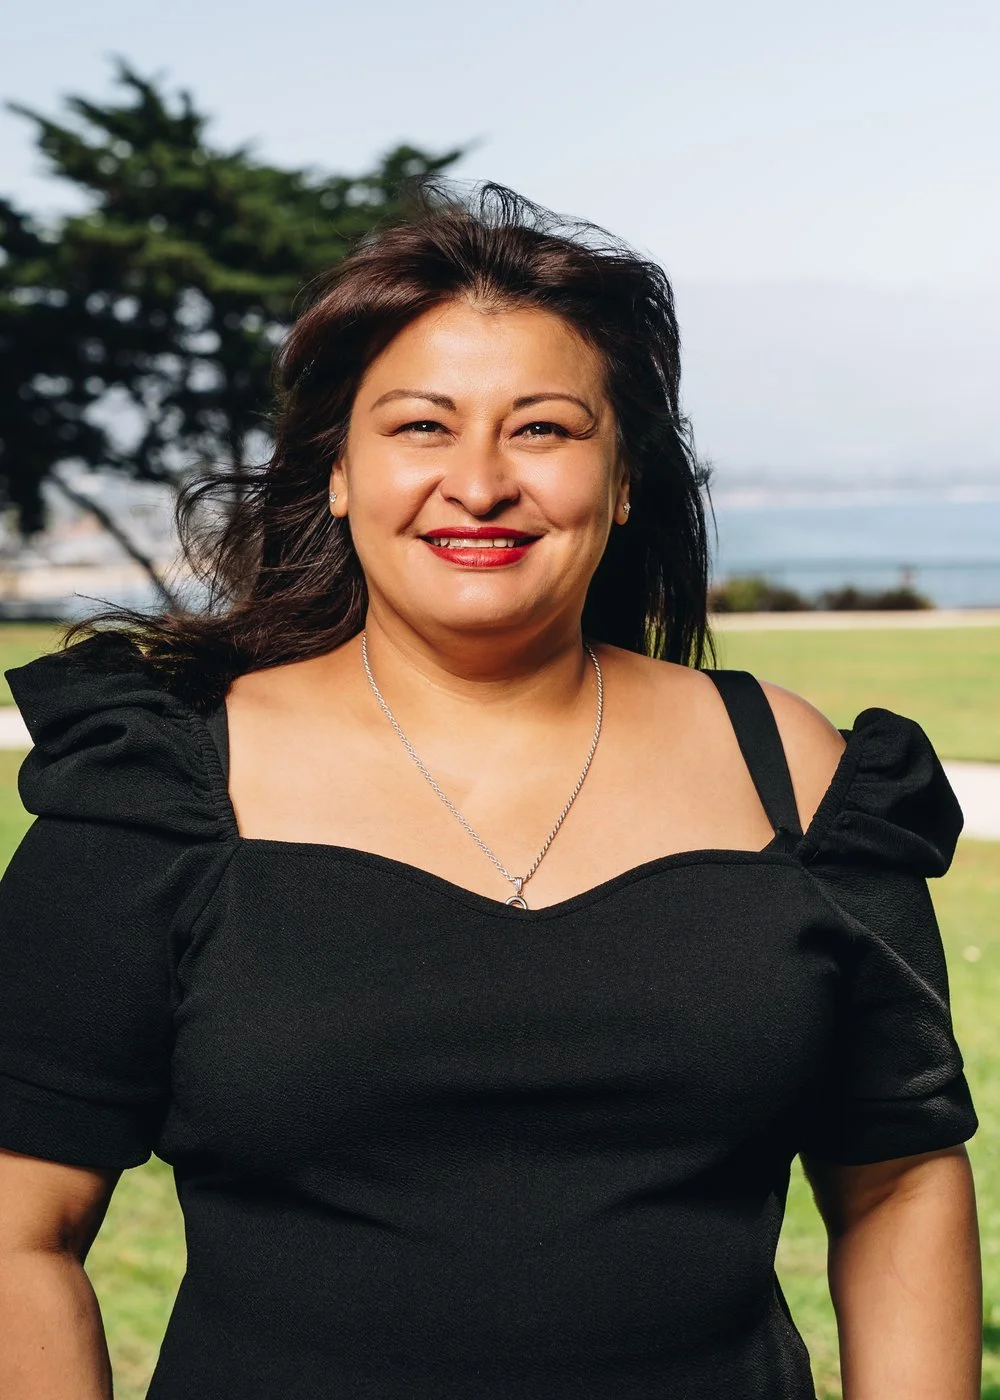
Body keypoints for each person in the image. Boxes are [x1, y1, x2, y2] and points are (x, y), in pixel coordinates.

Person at [0, 184, 981, 1400]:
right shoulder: (160, 785)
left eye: (544, 429)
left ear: (623, 481)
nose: (478, 482)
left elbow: (898, 1180)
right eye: (420, 426)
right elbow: (17, 1229)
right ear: (340, 475)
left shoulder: (800, 776)